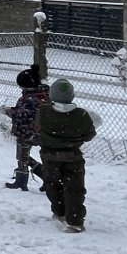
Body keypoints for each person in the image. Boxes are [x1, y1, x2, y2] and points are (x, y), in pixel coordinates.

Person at [35, 78, 98, 232]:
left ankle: (59, 211)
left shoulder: (43, 111)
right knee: (74, 188)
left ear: (51, 95)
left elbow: (37, 128)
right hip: (73, 157)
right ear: (72, 96)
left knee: (52, 184)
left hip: (49, 156)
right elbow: (89, 134)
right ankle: (75, 220)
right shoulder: (81, 115)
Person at [0, 68, 49, 190]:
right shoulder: (46, 96)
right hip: (44, 132)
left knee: (22, 157)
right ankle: (48, 178)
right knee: (46, 156)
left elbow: (20, 115)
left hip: (26, 133)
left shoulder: (27, 100)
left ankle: (21, 181)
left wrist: (7, 111)